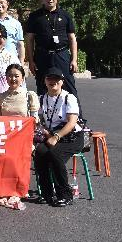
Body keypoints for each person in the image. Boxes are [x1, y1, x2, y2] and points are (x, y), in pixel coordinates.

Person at [34, 68, 83, 207]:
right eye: (49, 78)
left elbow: (72, 122)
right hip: (51, 134)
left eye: (56, 79)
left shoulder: (69, 97)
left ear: (62, 81)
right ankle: (46, 193)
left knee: (55, 154)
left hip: (71, 136)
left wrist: (56, 136)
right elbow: (38, 121)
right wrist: (45, 132)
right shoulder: (41, 99)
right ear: (44, 81)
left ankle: (65, 194)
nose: (52, 82)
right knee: (40, 152)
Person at [0, 63, 39, 211]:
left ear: (23, 78)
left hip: (23, 139)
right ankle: (3, 190)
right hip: (5, 139)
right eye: (10, 76)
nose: (13, 79)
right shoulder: (0, 97)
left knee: (19, 158)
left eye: (16, 76)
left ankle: (17, 190)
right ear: (6, 78)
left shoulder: (29, 95)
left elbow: (35, 120)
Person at [25, 0, 80, 99]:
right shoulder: (34, 16)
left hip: (62, 55)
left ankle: (76, 116)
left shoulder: (66, 15)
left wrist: (74, 59)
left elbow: (72, 38)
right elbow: (29, 40)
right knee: (42, 86)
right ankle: (44, 115)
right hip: (42, 55)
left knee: (68, 85)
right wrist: (31, 61)